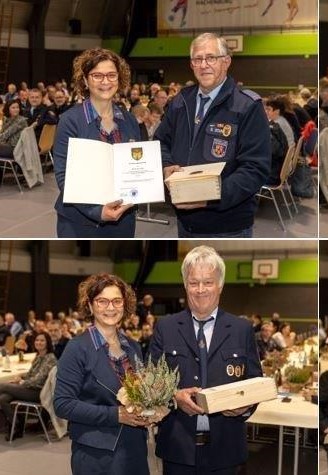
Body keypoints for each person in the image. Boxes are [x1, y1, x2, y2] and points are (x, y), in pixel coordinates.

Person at [149, 245, 262, 474]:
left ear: (220, 285)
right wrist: (173, 398)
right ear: (185, 285)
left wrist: (245, 406)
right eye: (194, 282)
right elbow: (150, 382)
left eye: (208, 282)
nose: (200, 289)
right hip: (178, 447)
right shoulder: (165, 327)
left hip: (226, 449)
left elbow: (255, 382)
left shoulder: (242, 329)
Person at [156, 33, 270, 238]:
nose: (204, 65)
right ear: (191, 65)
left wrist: (212, 194)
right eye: (197, 59)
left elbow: (255, 169)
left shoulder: (247, 106)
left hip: (228, 226)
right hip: (184, 222)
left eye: (211, 58)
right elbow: (160, 141)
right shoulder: (181, 101)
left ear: (226, 62)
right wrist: (166, 164)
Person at [55, 273, 151, 475]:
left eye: (117, 301)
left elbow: (140, 392)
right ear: (90, 306)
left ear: (124, 305)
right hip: (96, 454)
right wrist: (115, 415)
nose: (110, 307)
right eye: (102, 301)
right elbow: (63, 404)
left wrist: (150, 408)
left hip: (135, 448)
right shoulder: (77, 348)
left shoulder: (133, 347)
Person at [53, 47, 141, 238]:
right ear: (85, 80)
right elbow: (63, 177)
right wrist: (97, 211)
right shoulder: (70, 120)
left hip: (123, 220)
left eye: (111, 75)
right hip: (79, 223)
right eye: (97, 76)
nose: (105, 82)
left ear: (119, 78)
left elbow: (137, 167)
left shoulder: (130, 120)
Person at [0, 332, 56, 439]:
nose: (38, 342)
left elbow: (39, 380)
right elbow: (31, 374)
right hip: (29, 388)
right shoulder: (39, 356)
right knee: (3, 398)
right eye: (37, 340)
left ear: (47, 343)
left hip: (39, 392)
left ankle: (18, 425)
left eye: (42, 340)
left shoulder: (50, 358)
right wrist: (21, 377)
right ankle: (17, 425)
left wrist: (22, 382)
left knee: (2, 386)